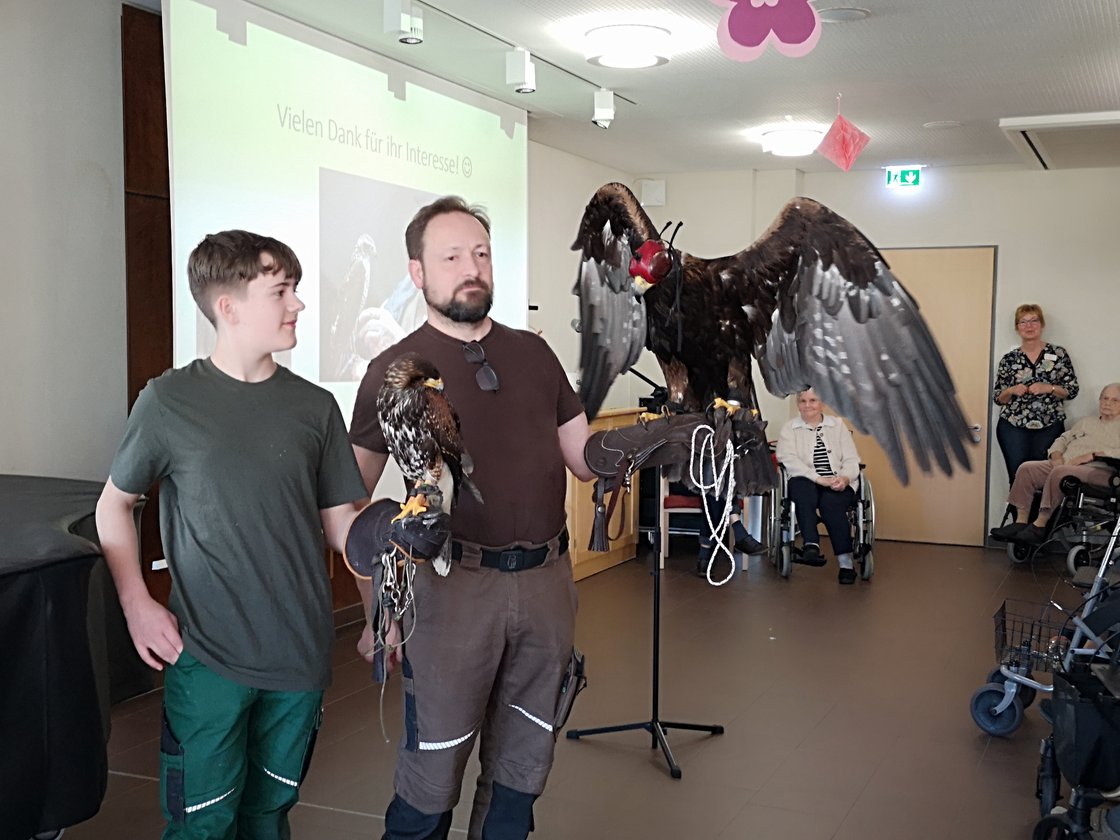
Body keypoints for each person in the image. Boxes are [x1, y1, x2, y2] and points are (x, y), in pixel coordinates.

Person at [95, 231, 368, 839]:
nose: (298, 305)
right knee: (202, 825)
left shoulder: (316, 407)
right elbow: (114, 507)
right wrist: (137, 604)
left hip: (299, 656)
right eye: (282, 291)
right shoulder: (169, 401)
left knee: (267, 818)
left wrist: (387, 589)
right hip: (208, 658)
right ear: (229, 306)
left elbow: (341, 525)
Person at [349, 196, 594, 840]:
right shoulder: (392, 371)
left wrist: (658, 440)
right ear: (417, 273)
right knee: (433, 774)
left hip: (546, 582)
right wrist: (379, 609)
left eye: (481, 254)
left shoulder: (535, 354)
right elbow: (352, 508)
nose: (472, 267)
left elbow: (584, 457)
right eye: (452, 256)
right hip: (450, 590)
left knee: (523, 766)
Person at [990, 383, 1120, 545]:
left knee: (1061, 472)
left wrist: (1092, 456)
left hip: (1100, 472)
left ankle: (1039, 525)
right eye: (1105, 398)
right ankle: (1020, 522)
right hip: (1065, 465)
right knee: (1026, 468)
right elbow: (1063, 439)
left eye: (1115, 400)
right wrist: (1056, 454)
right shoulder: (1086, 422)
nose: (1108, 403)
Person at [775, 388, 863, 584]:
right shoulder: (790, 428)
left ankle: (845, 564)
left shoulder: (837, 425)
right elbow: (787, 459)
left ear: (822, 403)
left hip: (837, 481)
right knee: (800, 487)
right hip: (807, 480)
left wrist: (846, 478)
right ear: (798, 404)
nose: (807, 405)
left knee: (831, 505)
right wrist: (817, 478)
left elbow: (851, 459)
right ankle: (811, 546)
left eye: (813, 400)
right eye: (803, 401)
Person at [992, 304, 1079, 485]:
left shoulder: (1058, 354)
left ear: (1042, 324)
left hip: (1049, 425)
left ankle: (1040, 514)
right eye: (1023, 322)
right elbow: (999, 398)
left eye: (1033, 321)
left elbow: (1071, 390)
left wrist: (1049, 388)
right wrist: (1011, 390)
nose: (1029, 326)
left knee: (1044, 480)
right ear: (1017, 327)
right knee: (1017, 480)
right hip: (1013, 426)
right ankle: (1019, 514)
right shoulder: (1009, 359)